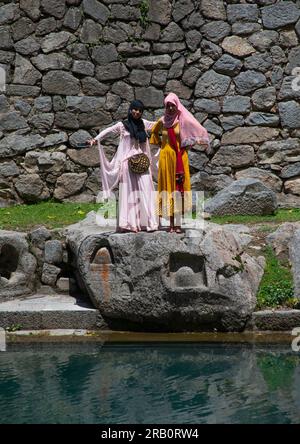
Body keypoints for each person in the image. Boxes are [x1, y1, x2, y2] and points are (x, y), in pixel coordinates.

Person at [88, 100, 158, 232]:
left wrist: (176, 116)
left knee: (146, 189)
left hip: (143, 163)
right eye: (135, 109)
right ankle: (131, 224)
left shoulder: (143, 123)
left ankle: (147, 222)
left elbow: (159, 125)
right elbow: (108, 131)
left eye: (140, 110)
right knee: (129, 193)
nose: (137, 112)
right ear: (130, 110)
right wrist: (95, 139)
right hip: (127, 163)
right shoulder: (123, 125)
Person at [149, 93, 210, 233]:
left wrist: (190, 144)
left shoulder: (182, 120)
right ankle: (170, 223)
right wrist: (161, 146)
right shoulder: (162, 121)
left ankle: (177, 224)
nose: (170, 108)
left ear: (177, 105)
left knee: (179, 188)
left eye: (173, 105)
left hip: (179, 157)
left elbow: (197, 130)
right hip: (166, 159)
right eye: (168, 106)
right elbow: (153, 133)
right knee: (168, 189)